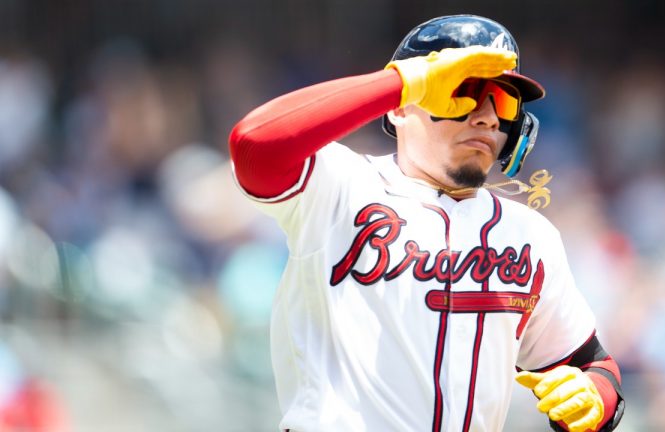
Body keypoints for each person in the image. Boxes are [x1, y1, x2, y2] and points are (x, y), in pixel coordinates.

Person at [229, 14, 624, 432]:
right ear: (401, 106)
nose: (487, 117)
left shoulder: (530, 235)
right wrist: (402, 82)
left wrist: (594, 398)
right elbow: (254, 145)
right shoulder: (339, 187)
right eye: (464, 93)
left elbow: (593, 364)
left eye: (503, 101)